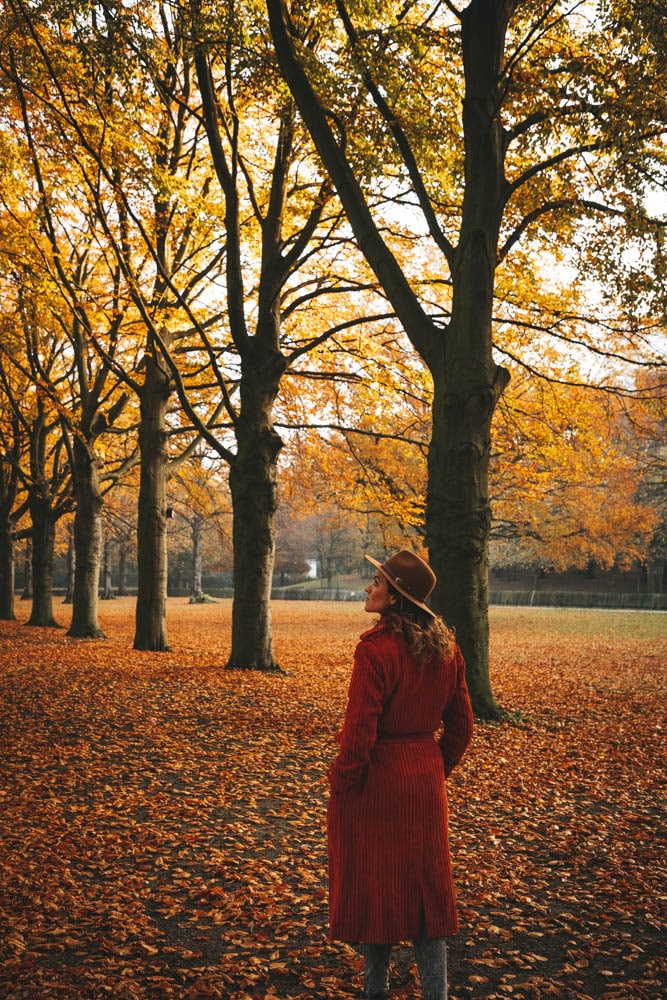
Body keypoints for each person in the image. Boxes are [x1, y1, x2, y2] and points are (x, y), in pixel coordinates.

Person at [327, 550, 474, 1000]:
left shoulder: (375, 650)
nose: (369, 588)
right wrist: (432, 766)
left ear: (395, 598)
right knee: (426, 886)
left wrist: (343, 781)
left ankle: (375, 990)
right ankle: (437, 993)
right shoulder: (447, 650)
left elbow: (359, 732)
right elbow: (462, 728)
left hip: (378, 783)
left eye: (377, 582)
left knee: (379, 884)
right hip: (424, 782)